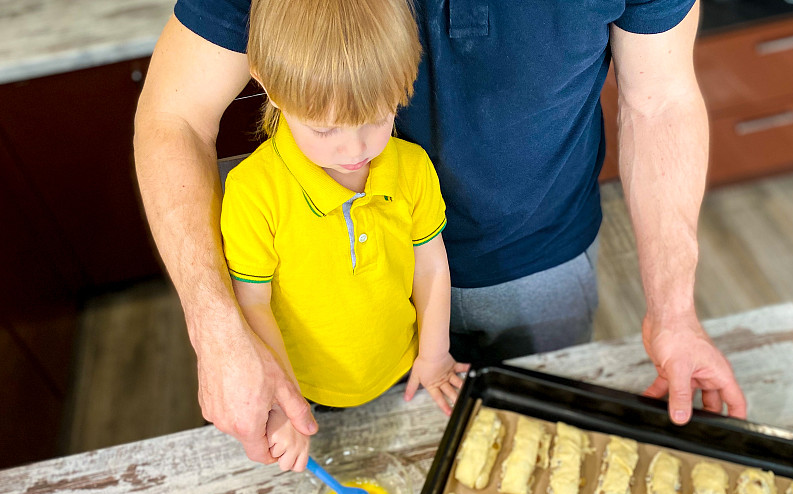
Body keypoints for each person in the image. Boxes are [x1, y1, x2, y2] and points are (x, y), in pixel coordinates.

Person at [134, 0, 747, 466]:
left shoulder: (414, 177)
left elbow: (661, 99)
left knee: (531, 458)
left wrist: (673, 311)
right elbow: (174, 116)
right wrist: (218, 334)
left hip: (542, 265)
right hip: (330, 308)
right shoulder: (261, 195)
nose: (354, 147)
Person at [220, 0, 467, 471]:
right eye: (325, 128)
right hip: (309, 392)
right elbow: (252, 303)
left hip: (405, 370)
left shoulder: (411, 168)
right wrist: (287, 403)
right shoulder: (254, 193)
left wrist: (435, 354)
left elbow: (431, 264)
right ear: (268, 85)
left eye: (377, 118)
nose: (355, 149)